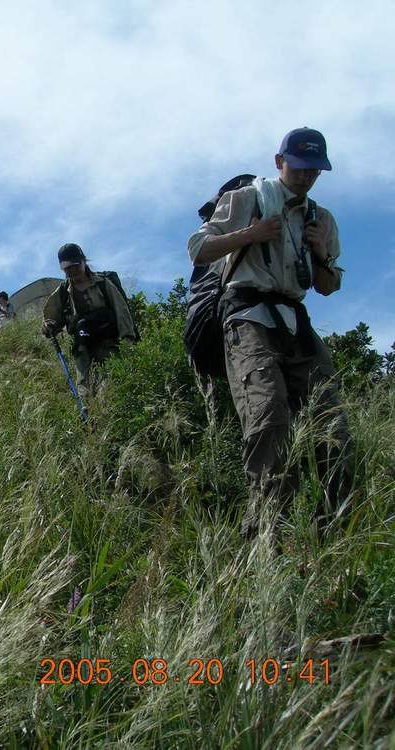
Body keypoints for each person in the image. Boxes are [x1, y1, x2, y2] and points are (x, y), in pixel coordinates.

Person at [187, 127, 351, 538]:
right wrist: (251, 234)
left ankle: (334, 534)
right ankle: (266, 534)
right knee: (269, 416)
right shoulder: (248, 199)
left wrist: (319, 252)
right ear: (280, 162)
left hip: (295, 320)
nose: (307, 176)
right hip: (247, 314)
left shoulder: (321, 219)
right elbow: (198, 249)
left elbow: (329, 286)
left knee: (332, 425)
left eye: (315, 170)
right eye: (299, 167)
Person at [41, 243, 137, 398]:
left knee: (111, 389)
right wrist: (48, 326)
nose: (72, 270)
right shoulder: (62, 293)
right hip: (83, 351)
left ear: (84, 261)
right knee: (85, 393)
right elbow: (50, 319)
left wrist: (127, 341)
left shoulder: (103, 284)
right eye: (67, 268)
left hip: (109, 346)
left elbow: (122, 312)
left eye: (75, 266)